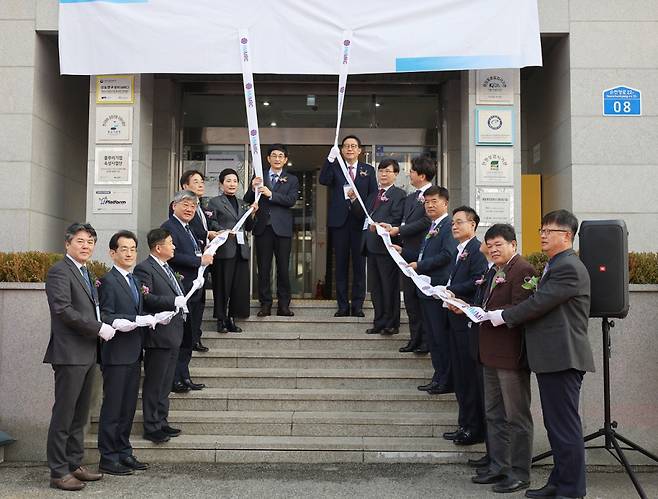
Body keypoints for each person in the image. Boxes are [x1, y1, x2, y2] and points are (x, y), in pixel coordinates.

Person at [488, 210, 595, 499]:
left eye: (550, 230)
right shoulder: (554, 264)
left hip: (563, 356)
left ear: (567, 236)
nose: (543, 235)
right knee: (556, 425)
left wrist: (502, 316)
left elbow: (538, 303)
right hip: (551, 358)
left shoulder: (569, 267)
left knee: (564, 427)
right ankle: (558, 483)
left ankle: (571, 489)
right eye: (542, 229)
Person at [44, 222, 112, 491]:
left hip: (87, 352)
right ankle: (58, 472)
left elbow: (92, 310)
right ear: (68, 243)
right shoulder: (60, 271)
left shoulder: (86, 271)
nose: (86, 246)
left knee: (79, 415)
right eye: (81, 241)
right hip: (70, 354)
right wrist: (98, 328)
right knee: (64, 414)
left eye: (90, 242)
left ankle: (74, 464)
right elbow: (63, 310)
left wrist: (106, 324)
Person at [470, 224, 536, 494]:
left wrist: (494, 315)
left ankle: (520, 472)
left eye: (499, 244)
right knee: (494, 414)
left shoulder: (523, 269)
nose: (494, 249)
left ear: (514, 245)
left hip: (510, 354)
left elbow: (523, 308)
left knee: (516, 417)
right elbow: (486, 304)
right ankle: (498, 466)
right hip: (489, 352)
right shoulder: (494, 271)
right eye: (490, 244)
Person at [97, 231, 150, 475]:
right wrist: (136, 319)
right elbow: (106, 315)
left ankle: (124, 452)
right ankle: (108, 457)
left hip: (133, 352)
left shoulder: (134, 280)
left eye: (132, 249)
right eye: (124, 249)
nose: (129, 253)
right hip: (116, 354)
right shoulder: (108, 281)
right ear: (112, 253)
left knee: (128, 407)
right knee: (113, 408)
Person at [397, 186, 457, 394]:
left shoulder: (448, 225)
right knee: (433, 338)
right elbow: (423, 254)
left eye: (434, 201)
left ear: (445, 203)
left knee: (440, 338)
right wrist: (404, 251)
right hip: (426, 290)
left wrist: (419, 266)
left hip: (437, 288)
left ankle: (446, 380)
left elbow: (447, 256)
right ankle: (439, 376)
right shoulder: (433, 226)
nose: (430, 205)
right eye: (427, 202)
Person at [134, 228, 187, 444]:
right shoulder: (144, 269)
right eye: (171, 242)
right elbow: (147, 299)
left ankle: (162, 421)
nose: (174, 246)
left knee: (166, 382)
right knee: (155, 382)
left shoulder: (167, 268)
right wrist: (172, 302)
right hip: (158, 335)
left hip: (173, 332)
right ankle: (151, 426)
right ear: (158, 247)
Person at [443, 206, 488, 446]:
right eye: (453, 222)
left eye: (460, 222)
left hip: (466, 320)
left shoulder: (477, 251)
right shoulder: (459, 250)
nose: (455, 226)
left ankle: (473, 427)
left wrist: (452, 291)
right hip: (453, 318)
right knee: (460, 376)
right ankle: (465, 424)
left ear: (473, 225)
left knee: (468, 377)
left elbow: (478, 282)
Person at [319, 135, 378, 317]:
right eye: (346, 146)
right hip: (340, 222)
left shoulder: (368, 170)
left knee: (360, 266)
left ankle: (358, 305)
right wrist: (329, 159)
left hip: (360, 223)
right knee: (341, 265)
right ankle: (343, 305)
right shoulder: (336, 167)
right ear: (342, 150)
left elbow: (373, 194)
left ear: (360, 150)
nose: (350, 149)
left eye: (353, 146)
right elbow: (323, 180)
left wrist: (366, 214)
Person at [162, 190, 213, 392]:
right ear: (174, 206)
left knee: (189, 338)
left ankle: (185, 376)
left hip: (194, 288)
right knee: (180, 339)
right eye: (186, 204)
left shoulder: (189, 228)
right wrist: (199, 260)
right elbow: (171, 256)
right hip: (180, 290)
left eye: (193, 206)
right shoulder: (169, 227)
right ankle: (175, 379)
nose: (190, 209)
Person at [384, 156, 435, 353]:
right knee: (411, 301)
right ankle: (415, 339)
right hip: (406, 253)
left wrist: (399, 231)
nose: (409, 174)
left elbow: (425, 222)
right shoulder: (411, 197)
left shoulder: (433, 196)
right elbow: (404, 221)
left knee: (422, 299)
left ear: (421, 175)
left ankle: (425, 341)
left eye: (412, 171)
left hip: (422, 253)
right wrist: (392, 227)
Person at [244, 144, 299, 317]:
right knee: (264, 268)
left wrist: (271, 194)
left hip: (282, 229)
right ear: (268, 159)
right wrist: (253, 188)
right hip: (263, 228)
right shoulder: (259, 177)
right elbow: (247, 199)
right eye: (273, 155)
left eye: (280, 156)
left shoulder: (292, 179)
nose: (277, 158)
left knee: (283, 268)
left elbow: (291, 200)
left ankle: (284, 305)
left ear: (285, 160)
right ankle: (265, 304)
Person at [353, 158, 406, 335]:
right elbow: (363, 215)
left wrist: (382, 225)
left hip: (386, 247)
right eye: (381, 171)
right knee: (375, 287)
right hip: (370, 245)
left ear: (396, 174)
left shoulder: (399, 194)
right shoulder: (373, 194)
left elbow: (397, 218)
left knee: (389, 286)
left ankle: (392, 322)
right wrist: (354, 198)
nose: (383, 174)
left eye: (387, 171)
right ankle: (379, 321)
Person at [207, 168, 257, 332]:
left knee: (237, 287)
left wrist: (253, 213)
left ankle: (232, 318)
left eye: (235, 181)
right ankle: (220, 319)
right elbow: (211, 223)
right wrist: (223, 231)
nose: (232, 184)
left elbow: (249, 227)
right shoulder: (214, 202)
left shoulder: (243, 203)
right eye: (228, 181)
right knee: (222, 286)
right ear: (221, 184)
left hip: (241, 251)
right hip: (223, 250)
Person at [176, 169, 219, 353]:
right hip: (190, 266)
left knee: (199, 305)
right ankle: (190, 339)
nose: (201, 184)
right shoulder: (180, 210)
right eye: (196, 181)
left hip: (202, 262)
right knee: (191, 306)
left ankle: (195, 338)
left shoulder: (202, 207)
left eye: (202, 181)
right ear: (185, 186)